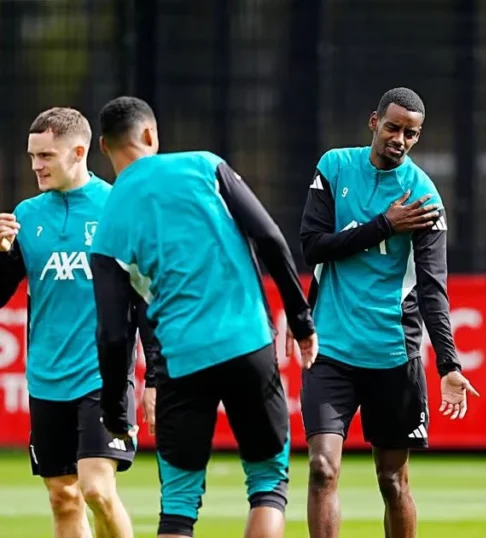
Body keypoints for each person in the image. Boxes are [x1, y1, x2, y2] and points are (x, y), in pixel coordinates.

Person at [87, 96, 319, 538]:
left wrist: (116, 412)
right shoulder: (205, 166)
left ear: (103, 146)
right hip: (248, 343)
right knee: (268, 485)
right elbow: (270, 238)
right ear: (151, 134)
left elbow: (113, 333)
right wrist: (301, 319)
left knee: (178, 507)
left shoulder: (107, 225)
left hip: (182, 362)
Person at [295, 87, 479, 538]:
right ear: (374, 122)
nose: (400, 139)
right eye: (393, 128)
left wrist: (449, 365)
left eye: (410, 134)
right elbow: (312, 246)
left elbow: (433, 289)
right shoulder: (335, 167)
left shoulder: (424, 197)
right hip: (330, 350)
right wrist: (383, 226)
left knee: (393, 482)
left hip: (393, 357)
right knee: (322, 468)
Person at [0, 106, 155, 538]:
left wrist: (156, 377)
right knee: (62, 498)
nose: (36, 165)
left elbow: (145, 296)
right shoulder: (27, 215)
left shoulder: (116, 206)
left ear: (79, 152)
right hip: (45, 378)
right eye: (33, 156)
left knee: (97, 490)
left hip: (102, 377)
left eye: (46, 156)